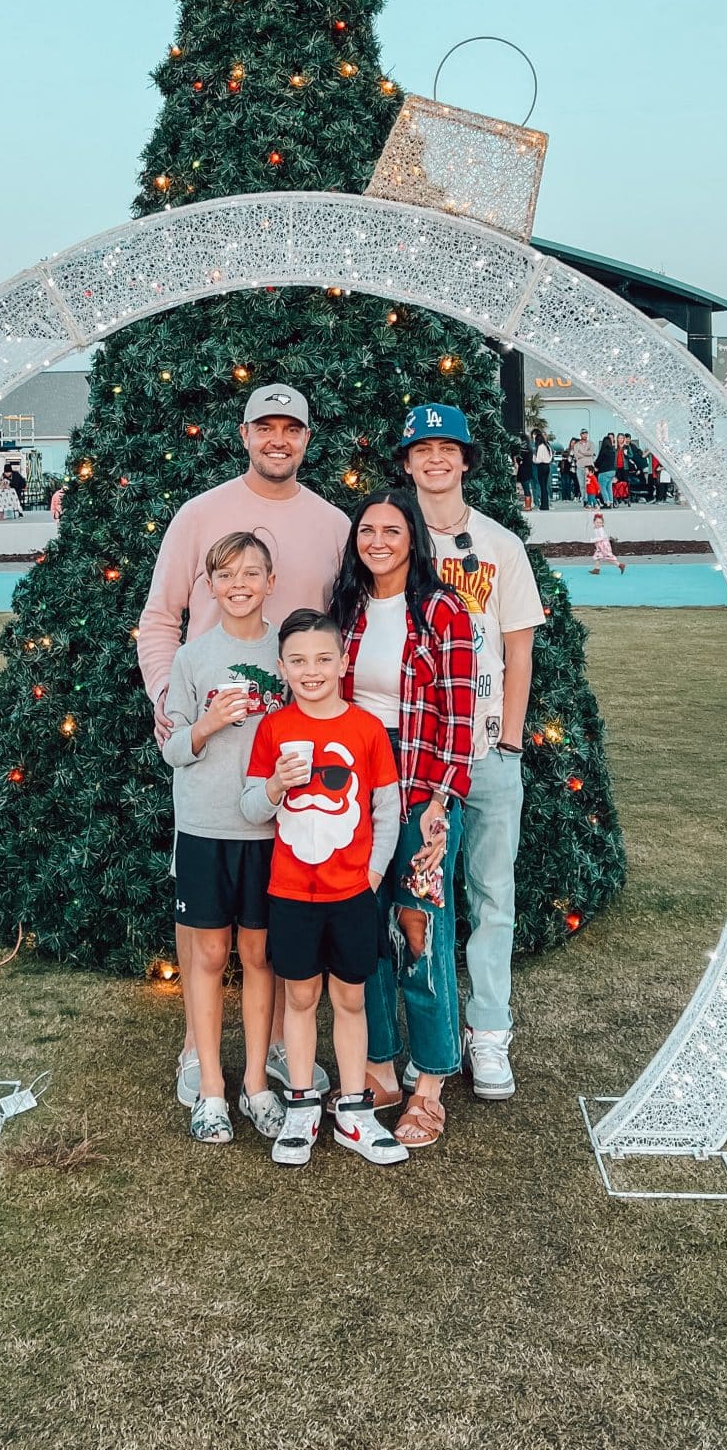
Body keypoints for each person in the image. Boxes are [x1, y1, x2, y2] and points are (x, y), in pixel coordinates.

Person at [138, 383, 349, 1109]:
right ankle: (199, 1051)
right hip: (210, 763)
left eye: (293, 427)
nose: (278, 440)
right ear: (245, 434)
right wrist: (172, 704)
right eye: (266, 428)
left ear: (307, 438)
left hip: (291, 763)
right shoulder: (200, 514)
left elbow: (337, 635)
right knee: (206, 926)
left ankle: (289, 1042)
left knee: (286, 906)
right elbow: (160, 618)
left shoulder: (332, 522)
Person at [397, 404, 548, 1099]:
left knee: (493, 894)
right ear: (407, 463)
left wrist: (512, 737)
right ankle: (432, 1038)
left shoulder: (499, 545)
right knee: (424, 899)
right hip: (422, 751)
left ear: (464, 460)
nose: (435, 460)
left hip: (487, 745)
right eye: (422, 449)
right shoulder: (390, 539)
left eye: (446, 449)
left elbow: (519, 644)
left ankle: (489, 1033)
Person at [332, 489, 476, 1151]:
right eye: (369, 530)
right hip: (358, 789)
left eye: (393, 530)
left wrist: (440, 805)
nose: (380, 541)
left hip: (423, 790)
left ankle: (431, 1083)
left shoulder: (442, 610)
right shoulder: (347, 609)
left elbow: (458, 715)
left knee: (421, 926)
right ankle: (381, 1070)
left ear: (412, 538)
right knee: (365, 924)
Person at [241, 608, 405, 1167]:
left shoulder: (364, 730)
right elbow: (249, 807)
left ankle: (354, 1113)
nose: (311, 671)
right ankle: (302, 1105)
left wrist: (376, 874)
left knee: (351, 997)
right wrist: (272, 787)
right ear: (282, 667)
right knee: (302, 997)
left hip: (352, 893)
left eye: (322, 659)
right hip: (290, 892)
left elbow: (388, 809)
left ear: (343, 661)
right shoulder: (274, 729)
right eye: (298, 661)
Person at [162, 532, 288, 1145]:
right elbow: (172, 748)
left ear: (271, 581)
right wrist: (207, 725)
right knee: (209, 957)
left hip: (270, 833)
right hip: (206, 830)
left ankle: (257, 1083)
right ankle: (212, 1085)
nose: (238, 584)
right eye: (226, 575)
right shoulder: (192, 658)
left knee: (261, 957)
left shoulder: (288, 653)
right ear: (208, 586)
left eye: (251, 573)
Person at [531, 427, 553, 511]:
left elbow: (538, 460)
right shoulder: (547, 446)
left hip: (541, 467)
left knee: (542, 486)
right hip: (547, 466)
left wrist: (533, 457)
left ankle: (543, 506)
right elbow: (550, 457)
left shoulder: (540, 447)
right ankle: (546, 504)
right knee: (545, 486)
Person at [572, 433, 595, 503]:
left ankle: (590, 499)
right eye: (583, 434)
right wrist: (586, 454)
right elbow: (576, 455)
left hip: (589, 466)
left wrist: (581, 452)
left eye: (586, 434)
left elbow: (591, 453)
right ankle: (584, 499)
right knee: (582, 484)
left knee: (589, 484)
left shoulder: (591, 444)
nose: (584, 435)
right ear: (580, 435)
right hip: (580, 466)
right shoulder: (576, 445)